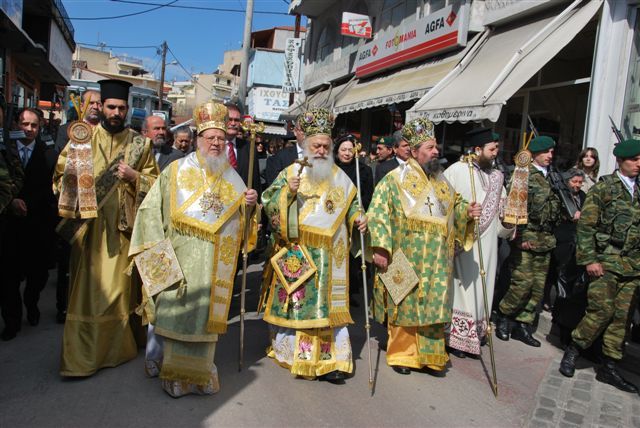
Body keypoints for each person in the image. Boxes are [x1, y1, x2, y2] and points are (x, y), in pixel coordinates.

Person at [129, 101, 258, 398]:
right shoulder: (175, 171)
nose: (215, 143)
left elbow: (246, 227)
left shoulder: (234, 178)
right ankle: (173, 374)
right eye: (210, 138)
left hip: (215, 266)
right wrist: (156, 259)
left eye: (221, 139)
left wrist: (250, 207)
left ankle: (200, 373)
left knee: (203, 320)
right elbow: (150, 212)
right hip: (180, 260)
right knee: (177, 314)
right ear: (198, 139)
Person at [54, 79, 158, 377]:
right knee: (88, 291)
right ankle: (81, 357)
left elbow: (158, 184)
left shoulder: (141, 144)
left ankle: (116, 350)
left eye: (121, 108)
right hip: (89, 231)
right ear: (101, 107)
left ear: (127, 109)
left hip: (123, 231)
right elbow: (61, 175)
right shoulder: (82, 139)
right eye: (111, 106)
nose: (115, 112)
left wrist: (135, 175)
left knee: (118, 291)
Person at [261, 107, 367, 384]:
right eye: (316, 145)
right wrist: (288, 193)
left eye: (325, 146)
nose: (321, 150)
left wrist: (359, 219)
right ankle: (302, 357)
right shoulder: (291, 172)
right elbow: (269, 203)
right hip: (303, 252)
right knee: (305, 308)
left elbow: (353, 205)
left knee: (331, 310)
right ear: (305, 145)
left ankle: (332, 361)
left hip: (333, 256)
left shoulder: (342, 178)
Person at [367, 118, 480, 375]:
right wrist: (381, 248)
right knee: (406, 302)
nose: (436, 152)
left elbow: (456, 207)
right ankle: (403, 355)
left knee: (433, 305)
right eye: (430, 148)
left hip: (438, 260)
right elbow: (378, 213)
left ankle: (430, 355)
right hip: (405, 254)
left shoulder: (441, 181)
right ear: (415, 151)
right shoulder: (394, 180)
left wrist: (468, 212)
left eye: (436, 147)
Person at [559, 139, 640, 393]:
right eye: (634, 159)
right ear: (620, 161)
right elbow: (586, 227)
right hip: (605, 261)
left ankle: (609, 366)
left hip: (632, 266)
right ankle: (574, 350)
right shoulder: (604, 188)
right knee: (600, 312)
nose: (639, 164)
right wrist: (590, 260)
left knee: (621, 319)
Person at [442, 128, 514, 358]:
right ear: (476, 150)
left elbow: (502, 209)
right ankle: (456, 338)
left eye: (496, 149)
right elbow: (443, 203)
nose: (495, 154)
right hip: (464, 243)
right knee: (462, 288)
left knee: (483, 287)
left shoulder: (497, 177)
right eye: (491, 149)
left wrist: (511, 219)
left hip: (489, 243)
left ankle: (475, 334)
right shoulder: (456, 171)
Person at [495, 136, 561, 347]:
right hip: (527, 237)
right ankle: (504, 317)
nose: (550, 156)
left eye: (552, 152)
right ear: (535, 154)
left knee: (537, 287)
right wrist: (519, 238)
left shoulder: (553, 177)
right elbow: (514, 208)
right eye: (546, 152)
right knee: (521, 283)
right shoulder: (523, 175)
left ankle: (523, 325)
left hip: (546, 240)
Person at [0, 108, 57, 340]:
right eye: (24, 124)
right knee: (8, 277)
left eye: (34, 125)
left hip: (37, 225)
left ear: (40, 126)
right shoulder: (4, 150)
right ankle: (11, 321)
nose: (29, 129)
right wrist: (11, 201)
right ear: (16, 124)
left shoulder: (49, 153)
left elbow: (50, 189)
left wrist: (29, 204)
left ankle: (31, 303)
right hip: (9, 225)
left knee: (38, 274)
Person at [334, 133, 374, 307]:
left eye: (350, 150)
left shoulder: (363, 170)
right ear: (337, 152)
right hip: (334, 218)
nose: (347, 153)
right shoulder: (331, 169)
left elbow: (368, 195)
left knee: (352, 260)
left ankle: (349, 293)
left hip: (354, 217)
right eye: (343, 150)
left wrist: (356, 208)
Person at [551, 168, 587, 345]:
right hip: (562, 242)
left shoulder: (584, 197)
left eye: (580, 182)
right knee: (560, 284)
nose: (577, 185)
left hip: (576, 245)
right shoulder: (560, 195)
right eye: (575, 182)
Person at [224, 103, 261, 196]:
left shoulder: (249, 147)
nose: (233, 123)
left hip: (243, 203)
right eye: (229, 119)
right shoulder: (212, 146)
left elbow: (255, 180)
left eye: (236, 120)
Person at [265, 116, 304, 187]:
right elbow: (273, 188)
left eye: (311, 131)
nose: (307, 134)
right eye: (303, 130)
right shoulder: (280, 157)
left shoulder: (320, 155)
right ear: (295, 131)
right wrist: (289, 189)